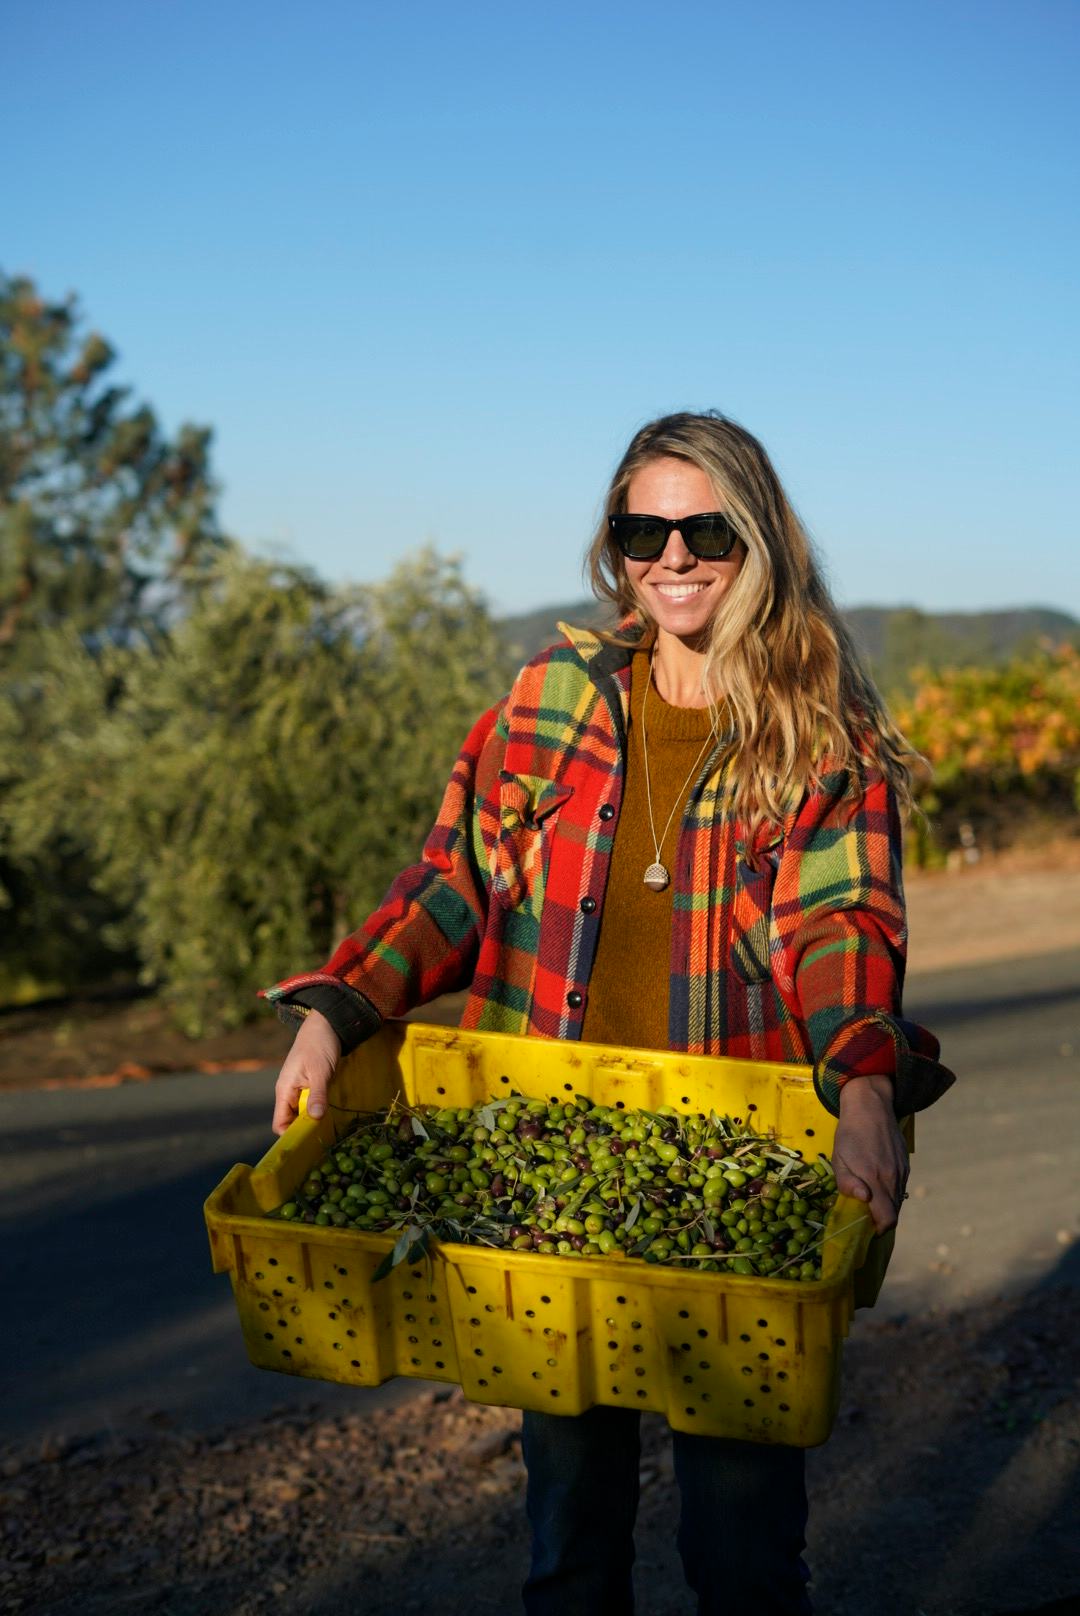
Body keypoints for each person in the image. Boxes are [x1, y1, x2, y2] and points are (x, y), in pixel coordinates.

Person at [265, 411, 954, 1615]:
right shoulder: (551, 696)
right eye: (645, 530)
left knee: (743, 1553)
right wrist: (338, 1007)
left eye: (707, 531)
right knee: (570, 1539)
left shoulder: (816, 732)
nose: (673, 556)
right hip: (552, 1176)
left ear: (759, 539)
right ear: (616, 544)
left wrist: (863, 1082)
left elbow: (841, 926)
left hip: (731, 1182)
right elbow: (452, 880)